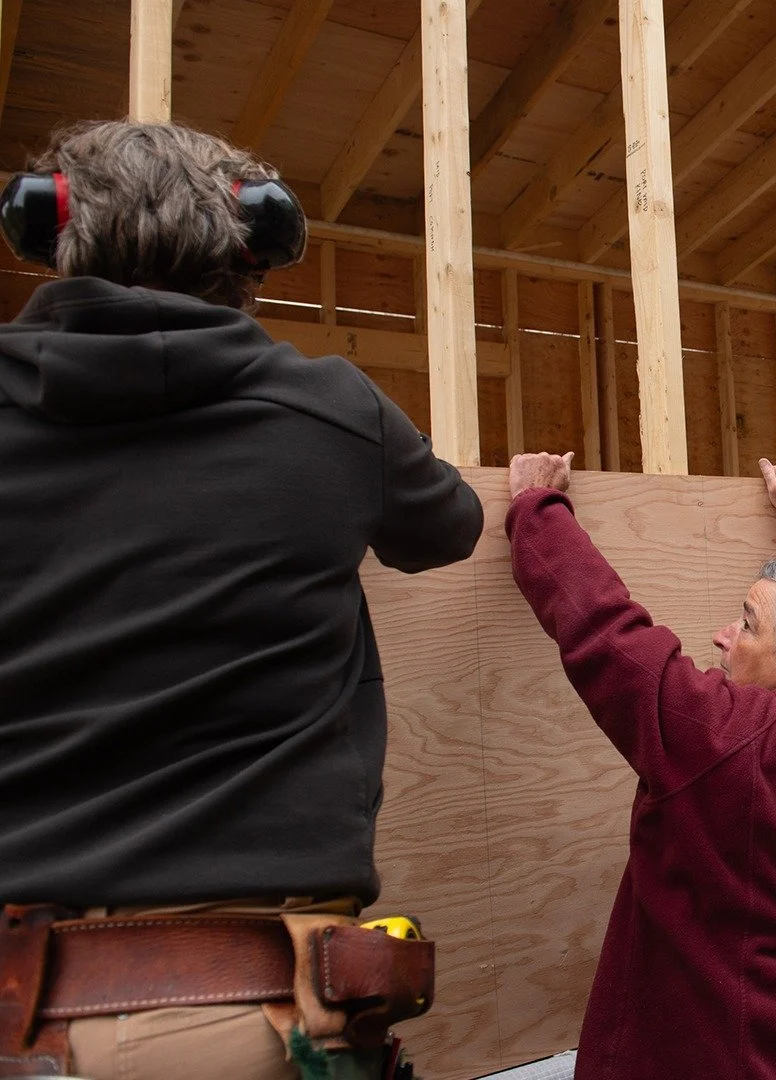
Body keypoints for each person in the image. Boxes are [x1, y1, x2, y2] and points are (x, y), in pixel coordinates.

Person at [0, 120, 482, 1079]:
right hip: (257, 1017)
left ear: (51, 228)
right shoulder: (335, 413)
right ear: (248, 244)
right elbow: (450, 527)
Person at [505, 452, 776, 1080]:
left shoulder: (726, 740)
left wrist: (535, 508)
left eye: (749, 625)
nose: (723, 636)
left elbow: (606, 632)